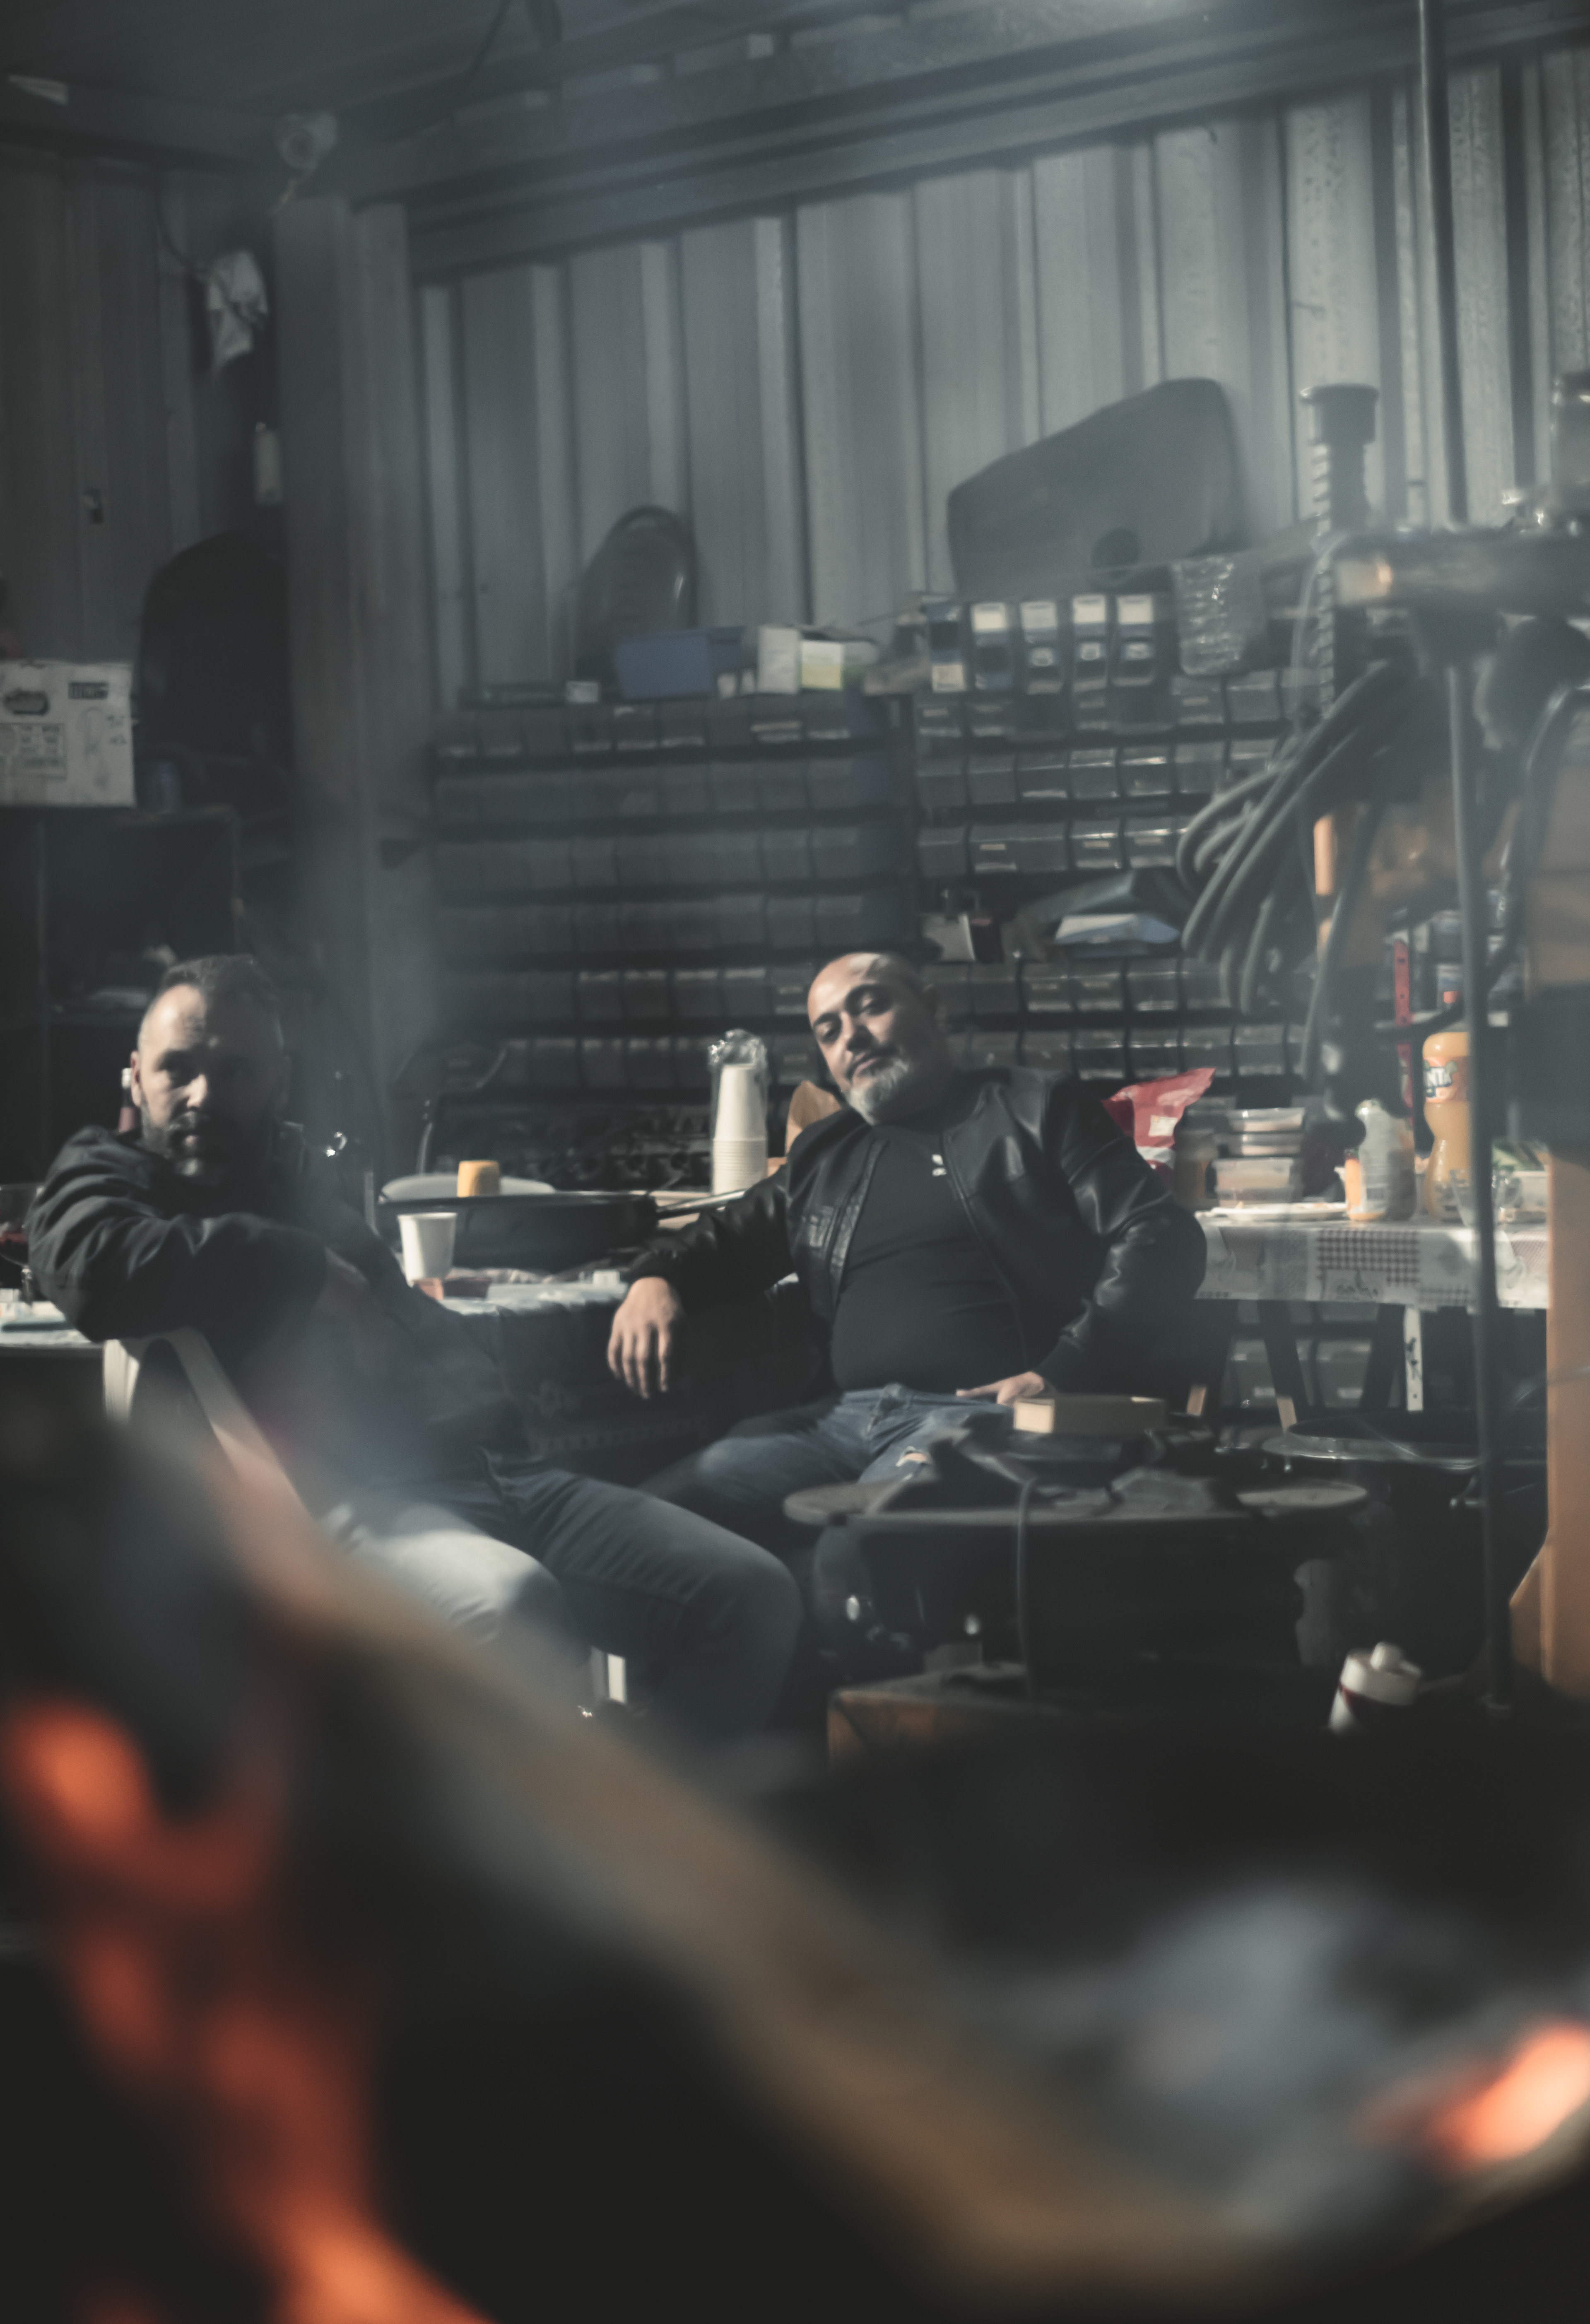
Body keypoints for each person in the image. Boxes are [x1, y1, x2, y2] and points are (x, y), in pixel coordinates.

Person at [27, 956, 801, 1746]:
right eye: (178, 1069)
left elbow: (396, 1320)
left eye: (235, 1070)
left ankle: (645, 1810)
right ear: (136, 1077)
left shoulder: (293, 1178)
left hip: (494, 1473)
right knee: (514, 1608)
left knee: (751, 1595)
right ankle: (531, 1820)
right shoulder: (113, 1172)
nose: (203, 1095)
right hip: (339, 1501)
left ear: (280, 1082)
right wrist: (303, 1267)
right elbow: (92, 1264)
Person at [610, 952, 1206, 1650]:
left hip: (983, 1414)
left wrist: (1064, 1372)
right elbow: (725, 1240)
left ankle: (861, 1707)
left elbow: (1162, 1237)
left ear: (934, 1008)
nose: (851, 1037)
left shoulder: (1034, 1109)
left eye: (870, 1006)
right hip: (839, 1422)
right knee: (634, 1532)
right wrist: (656, 1277)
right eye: (829, 1030)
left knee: (860, 1555)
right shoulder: (825, 1154)